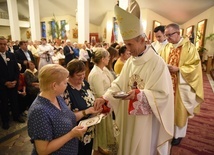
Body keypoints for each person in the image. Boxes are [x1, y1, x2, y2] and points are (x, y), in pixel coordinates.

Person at [93, 1, 174, 155]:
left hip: (146, 123)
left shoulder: (157, 64)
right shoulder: (131, 61)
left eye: (130, 45)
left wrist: (140, 95)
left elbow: (163, 95)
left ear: (142, 40)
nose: (128, 50)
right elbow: (118, 84)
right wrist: (105, 97)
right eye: (126, 45)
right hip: (128, 119)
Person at [27, 64, 88, 155]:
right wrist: (71, 134)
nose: (66, 85)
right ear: (54, 85)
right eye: (64, 83)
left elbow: (67, 118)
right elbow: (43, 150)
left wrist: (87, 111)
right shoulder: (39, 111)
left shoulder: (57, 97)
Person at [159, 23, 204, 146]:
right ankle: (167, 131)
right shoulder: (166, 47)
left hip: (182, 85)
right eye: (166, 35)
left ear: (178, 33)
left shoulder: (190, 48)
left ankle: (178, 135)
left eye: (169, 35)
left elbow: (194, 66)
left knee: (180, 110)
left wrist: (179, 69)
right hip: (167, 84)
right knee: (167, 108)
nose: (167, 38)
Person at [63, 59, 102, 155]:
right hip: (76, 132)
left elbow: (91, 100)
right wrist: (87, 111)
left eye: (83, 74)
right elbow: (67, 116)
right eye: (78, 75)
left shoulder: (85, 84)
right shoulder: (65, 89)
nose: (82, 77)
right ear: (70, 75)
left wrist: (97, 110)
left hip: (89, 129)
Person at [88, 48, 117, 155]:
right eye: (108, 57)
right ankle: (97, 150)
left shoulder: (103, 69)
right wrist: (111, 94)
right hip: (100, 104)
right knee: (100, 129)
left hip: (107, 101)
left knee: (105, 128)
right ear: (103, 59)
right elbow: (100, 93)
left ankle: (101, 148)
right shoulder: (96, 73)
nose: (109, 59)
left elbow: (112, 82)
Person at [0, 36, 25, 130]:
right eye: (1, 44)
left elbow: (16, 69)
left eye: (4, 44)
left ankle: (16, 116)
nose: (3, 46)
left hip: (13, 83)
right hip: (2, 85)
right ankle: (5, 121)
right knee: (4, 103)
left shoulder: (11, 55)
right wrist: (5, 82)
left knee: (15, 101)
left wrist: (15, 80)